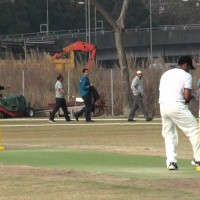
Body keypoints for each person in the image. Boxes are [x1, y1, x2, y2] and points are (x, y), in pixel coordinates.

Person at [159, 55, 200, 170]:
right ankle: (198, 159)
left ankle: (171, 162)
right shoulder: (186, 75)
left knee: (169, 134)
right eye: (189, 67)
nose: (189, 70)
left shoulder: (165, 74)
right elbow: (186, 97)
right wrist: (192, 96)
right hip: (176, 106)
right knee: (194, 130)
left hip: (163, 106)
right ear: (185, 65)